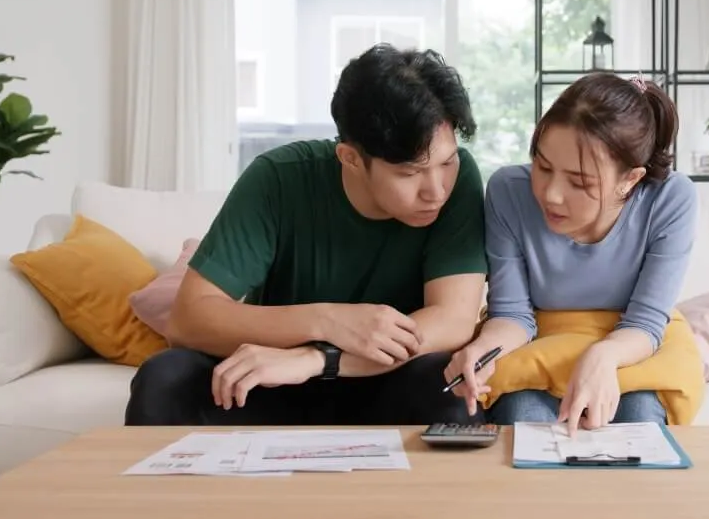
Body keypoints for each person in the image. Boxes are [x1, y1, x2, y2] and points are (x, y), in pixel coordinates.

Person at [125, 44, 489, 427]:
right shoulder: (278, 178)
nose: (436, 190)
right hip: (271, 380)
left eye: (446, 162)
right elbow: (188, 321)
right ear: (350, 158)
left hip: (382, 380)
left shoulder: (459, 179)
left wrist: (319, 359)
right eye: (410, 173)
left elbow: (452, 320)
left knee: (447, 389)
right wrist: (327, 321)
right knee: (164, 379)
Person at [443, 72, 700, 435]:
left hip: (633, 343)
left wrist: (602, 356)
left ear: (630, 179)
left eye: (579, 182)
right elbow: (513, 315)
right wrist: (482, 350)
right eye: (543, 167)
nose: (551, 194)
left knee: (639, 414)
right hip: (541, 343)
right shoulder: (508, 192)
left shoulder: (672, 199)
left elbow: (645, 322)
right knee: (521, 413)